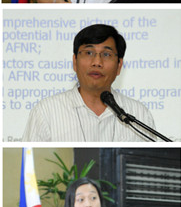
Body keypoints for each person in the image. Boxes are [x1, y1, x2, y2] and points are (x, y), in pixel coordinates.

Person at [22, 24, 155, 141]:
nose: (97, 62)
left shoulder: (139, 114)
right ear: (75, 62)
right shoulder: (46, 111)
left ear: (119, 65)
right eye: (89, 53)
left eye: (106, 54)